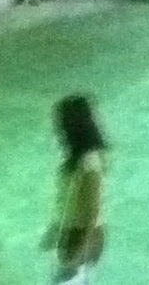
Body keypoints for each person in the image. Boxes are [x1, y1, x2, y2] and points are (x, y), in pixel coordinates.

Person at [44, 95, 108, 284]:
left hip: (81, 237)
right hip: (72, 234)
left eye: (62, 124)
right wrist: (55, 231)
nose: (58, 129)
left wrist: (80, 254)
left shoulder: (89, 164)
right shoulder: (76, 159)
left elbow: (92, 213)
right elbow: (69, 202)